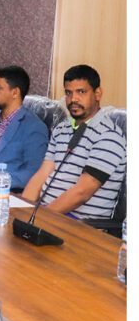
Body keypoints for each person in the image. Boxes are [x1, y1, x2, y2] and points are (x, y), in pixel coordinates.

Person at [22, 65, 126, 219]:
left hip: (79, 223)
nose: (73, 99)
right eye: (68, 93)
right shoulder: (61, 128)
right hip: (47, 213)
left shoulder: (109, 135)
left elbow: (82, 193)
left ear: (97, 94)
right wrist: (22, 210)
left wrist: (39, 217)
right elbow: (42, 174)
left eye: (81, 92)